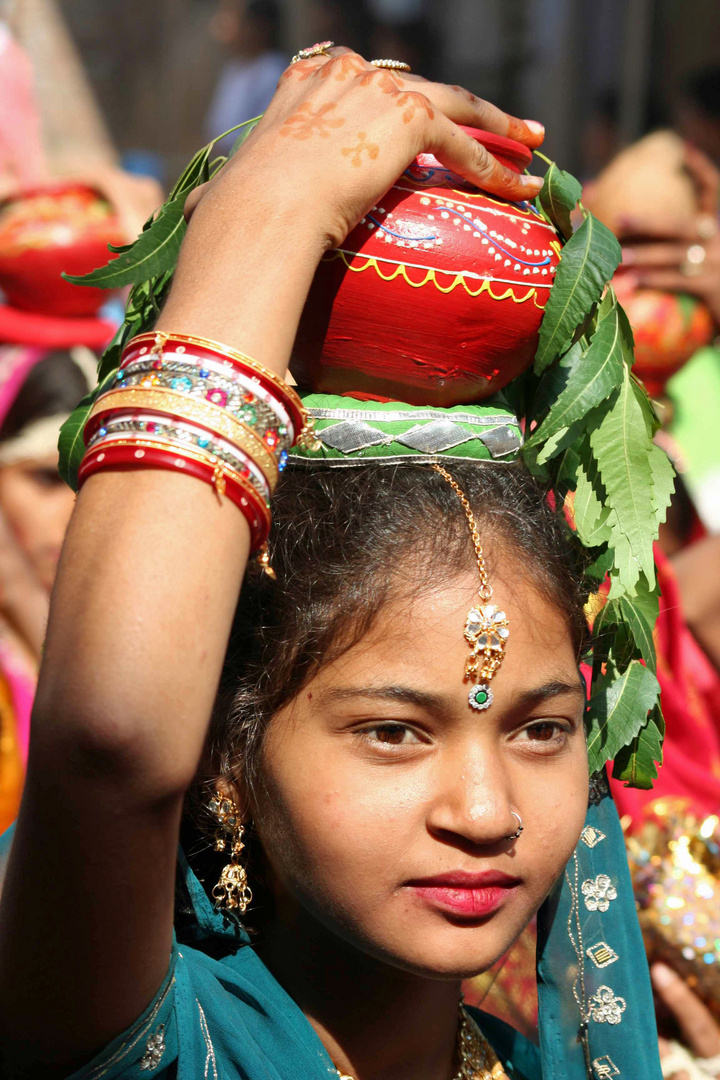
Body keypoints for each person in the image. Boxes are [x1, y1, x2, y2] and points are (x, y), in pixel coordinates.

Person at [0, 47, 663, 1080]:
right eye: (394, 733)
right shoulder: (167, 1046)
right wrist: (277, 198)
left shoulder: (530, 1064)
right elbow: (113, 742)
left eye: (542, 729)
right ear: (227, 752)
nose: (486, 814)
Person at [205, 0, 287, 151]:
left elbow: (261, 138)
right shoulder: (234, 69)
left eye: (233, 18)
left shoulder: (272, 72)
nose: (221, 26)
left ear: (259, 26)